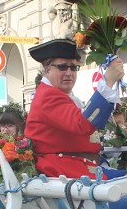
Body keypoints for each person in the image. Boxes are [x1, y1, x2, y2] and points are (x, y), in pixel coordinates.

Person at [24, 38, 122, 179]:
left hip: (81, 167)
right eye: (62, 67)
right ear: (47, 70)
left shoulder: (59, 94)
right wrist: (108, 81)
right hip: (67, 171)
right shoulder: (48, 95)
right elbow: (82, 124)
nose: (69, 72)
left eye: (73, 67)